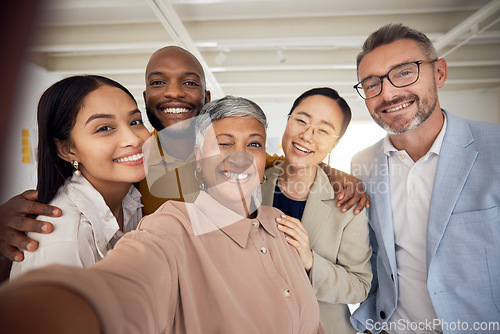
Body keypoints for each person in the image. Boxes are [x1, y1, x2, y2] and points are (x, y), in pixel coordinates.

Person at [0, 46, 369, 278]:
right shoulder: (135, 164)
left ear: (205, 97)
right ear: (146, 96)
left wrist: (332, 172)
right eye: (159, 83)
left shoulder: (134, 185)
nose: (174, 92)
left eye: (188, 83)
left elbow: (282, 165)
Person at [0, 96, 325, 334]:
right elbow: (127, 282)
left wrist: (338, 177)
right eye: (223, 143)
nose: (240, 157)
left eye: (254, 144)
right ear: (198, 158)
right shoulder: (171, 226)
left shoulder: (282, 226)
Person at [349, 23, 500, 334]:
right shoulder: (362, 164)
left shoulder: (495, 149)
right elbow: (375, 257)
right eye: (372, 83)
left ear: (439, 73)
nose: (388, 93)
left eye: (404, 72)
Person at [10, 75, 150, 278]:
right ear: (67, 150)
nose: (133, 139)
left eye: (135, 121)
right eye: (104, 128)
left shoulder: (129, 199)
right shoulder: (65, 241)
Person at [261, 87, 372, 334]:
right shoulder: (250, 187)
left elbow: (360, 285)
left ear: (336, 142)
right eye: (301, 120)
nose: (307, 135)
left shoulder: (347, 203)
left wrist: (310, 261)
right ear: (288, 121)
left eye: (323, 130)